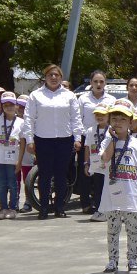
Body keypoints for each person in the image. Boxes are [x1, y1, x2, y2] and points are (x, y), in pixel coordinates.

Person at [22, 64, 84, 219]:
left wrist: (77, 138)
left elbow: (75, 119)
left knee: (61, 175)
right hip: (43, 140)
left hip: (64, 140)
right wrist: (29, 140)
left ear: (61, 77)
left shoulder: (69, 96)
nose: (54, 78)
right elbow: (29, 119)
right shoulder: (36, 95)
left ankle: (59, 207)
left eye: (57, 75)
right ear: (45, 77)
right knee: (45, 175)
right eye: (51, 75)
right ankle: (43, 208)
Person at [98, 103, 137, 274]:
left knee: (132, 229)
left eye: (123, 119)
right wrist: (113, 140)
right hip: (112, 196)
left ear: (131, 122)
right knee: (113, 229)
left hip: (131, 195)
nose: (118, 122)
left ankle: (132, 260)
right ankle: (112, 261)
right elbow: (105, 159)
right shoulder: (107, 141)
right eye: (114, 118)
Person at [75, 72, 115, 212]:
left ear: (105, 83)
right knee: (86, 172)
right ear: (90, 83)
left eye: (101, 81)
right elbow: (77, 118)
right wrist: (79, 138)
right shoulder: (82, 99)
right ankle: (85, 204)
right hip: (88, 139)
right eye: (96, 81)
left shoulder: (111, 99)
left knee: (103, 174)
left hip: (107, 139)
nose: (98, 84)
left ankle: (101, 205)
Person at [0, 94, 25, 219]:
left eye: (11, 105)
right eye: (6, 105)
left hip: (12, 159)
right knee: (1, 184)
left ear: (16, 106)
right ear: (2, 106)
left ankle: (13, 207)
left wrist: (19, 161)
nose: (9, 107)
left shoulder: (21, 122)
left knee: (13, 184)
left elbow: (23, 142)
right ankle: (3, 208)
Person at [85, 104, 111, 221]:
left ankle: (107, 210)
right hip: (96, 164)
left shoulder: (111, 130)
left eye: (103, 115)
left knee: (108, 188)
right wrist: (86, 163)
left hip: (108, 165)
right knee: (97, 187)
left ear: (108, 115)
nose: (100, 117)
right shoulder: (91, 130)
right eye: (97, 115)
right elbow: (87, 147)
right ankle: (99, 210)